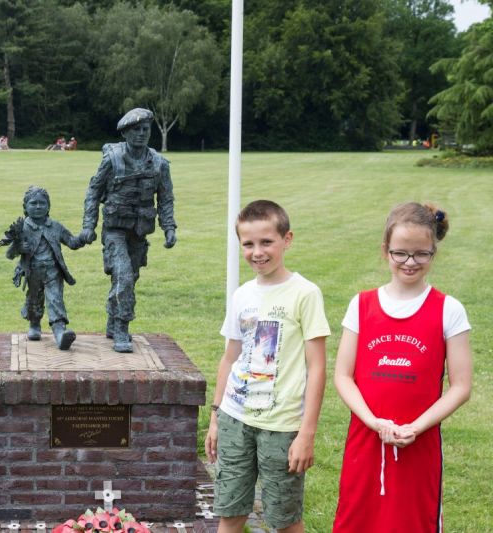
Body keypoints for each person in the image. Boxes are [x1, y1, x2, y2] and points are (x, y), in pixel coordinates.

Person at [332, 202, 472, 532]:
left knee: (412, 521)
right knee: (357, 520)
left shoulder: (448, 309)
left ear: (433, 252)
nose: (410, 262)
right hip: (365, 441)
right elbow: (342, 375)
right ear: (386, 251)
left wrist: (416, 427)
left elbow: (462, 386)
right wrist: (373, 422)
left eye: (420, 254)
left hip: (419, 444)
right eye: (401, 253)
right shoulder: (362, 304)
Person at [204, 200, 330, 533]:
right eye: (248, 244)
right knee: (230, 513)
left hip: (283, 426)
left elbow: (317, 367)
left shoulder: (305, 294)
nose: (257, 252)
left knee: (284, 520)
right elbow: (229, 358)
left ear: (287, 239)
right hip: (235, 418)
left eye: (266, 242)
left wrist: (307, 432)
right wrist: (216, 417)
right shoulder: (242, 295)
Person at [79, 108, 176, 352]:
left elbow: (165, 198)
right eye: (136, 130)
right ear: (125, 133)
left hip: (140, 231)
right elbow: (93, 192)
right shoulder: (112, 159)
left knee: (129, 278)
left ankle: (112, 321)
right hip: (115, 230)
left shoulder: (159, 164)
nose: (142, 134)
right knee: (122, 275)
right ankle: (122, 327)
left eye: (146, 129)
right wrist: (89, 225)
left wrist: (169, 227)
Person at [1, 186, 85, 350]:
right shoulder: (23, 228)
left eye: (42, 203)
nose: (38, 206)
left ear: (48, 206)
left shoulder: (55, 226)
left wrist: (84, 236)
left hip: (53, 271)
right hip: (33, 272)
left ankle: (60, 333)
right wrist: (19, 247)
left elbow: (72, 242)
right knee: (34, 300)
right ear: (25, 207)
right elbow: (9, 254)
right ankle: (34, 324)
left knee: (55, 300)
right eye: (33, 203)